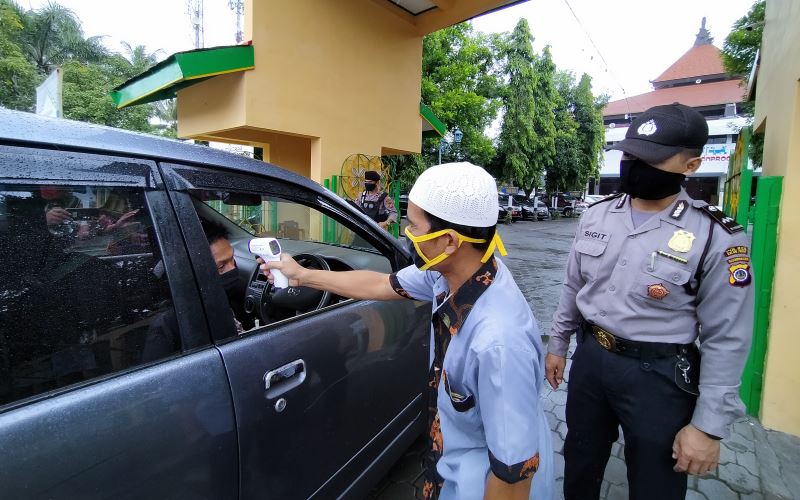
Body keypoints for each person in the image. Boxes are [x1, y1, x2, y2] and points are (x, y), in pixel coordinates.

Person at [262, 162, 553, 500]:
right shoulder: (449, 272)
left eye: (413, 226)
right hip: (450, 471)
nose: (406, 233)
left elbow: (513, 477)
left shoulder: (499, 342)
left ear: (448, 241)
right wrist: (302, 275)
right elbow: (382, 284)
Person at [545, 104, 754, 500]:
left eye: (651, 157)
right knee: (580, 462)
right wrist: (558, 344)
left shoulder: (717, 236)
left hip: (659, 375)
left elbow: (727, 338)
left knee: (655, 482)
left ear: (691, 165)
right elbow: (573, 287)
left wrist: (708, 426)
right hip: (591, 361)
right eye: (630, 154)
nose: (635, 164)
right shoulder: (597, 216)